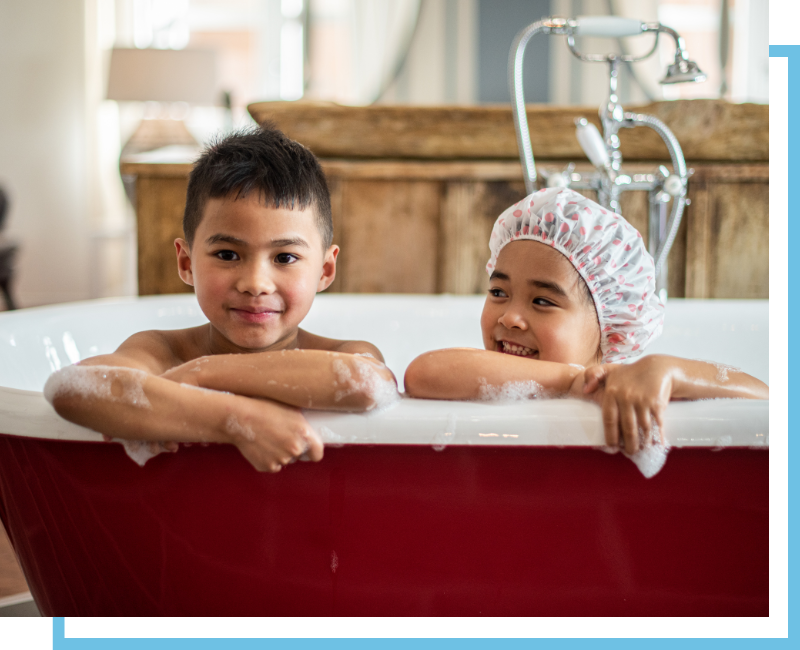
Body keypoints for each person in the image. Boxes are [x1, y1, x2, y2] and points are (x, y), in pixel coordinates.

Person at [46, 126, 397, 472]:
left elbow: (365, 384)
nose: (255, 284)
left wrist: (202, 373)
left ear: (324, 270)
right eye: (228, 255)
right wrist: (237, 421)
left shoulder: (341, 353)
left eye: (285, 257)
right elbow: (73, 389)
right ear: (186, 263)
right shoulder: (161, 351)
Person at [404, 187, 768, 454]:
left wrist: (669, 371)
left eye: (542, 301)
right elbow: (423, 372)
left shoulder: (629, 388)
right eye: (499, 293)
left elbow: (761, 398)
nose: (511, 316)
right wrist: (574, 380)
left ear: (609, 326)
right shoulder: (489, 374)